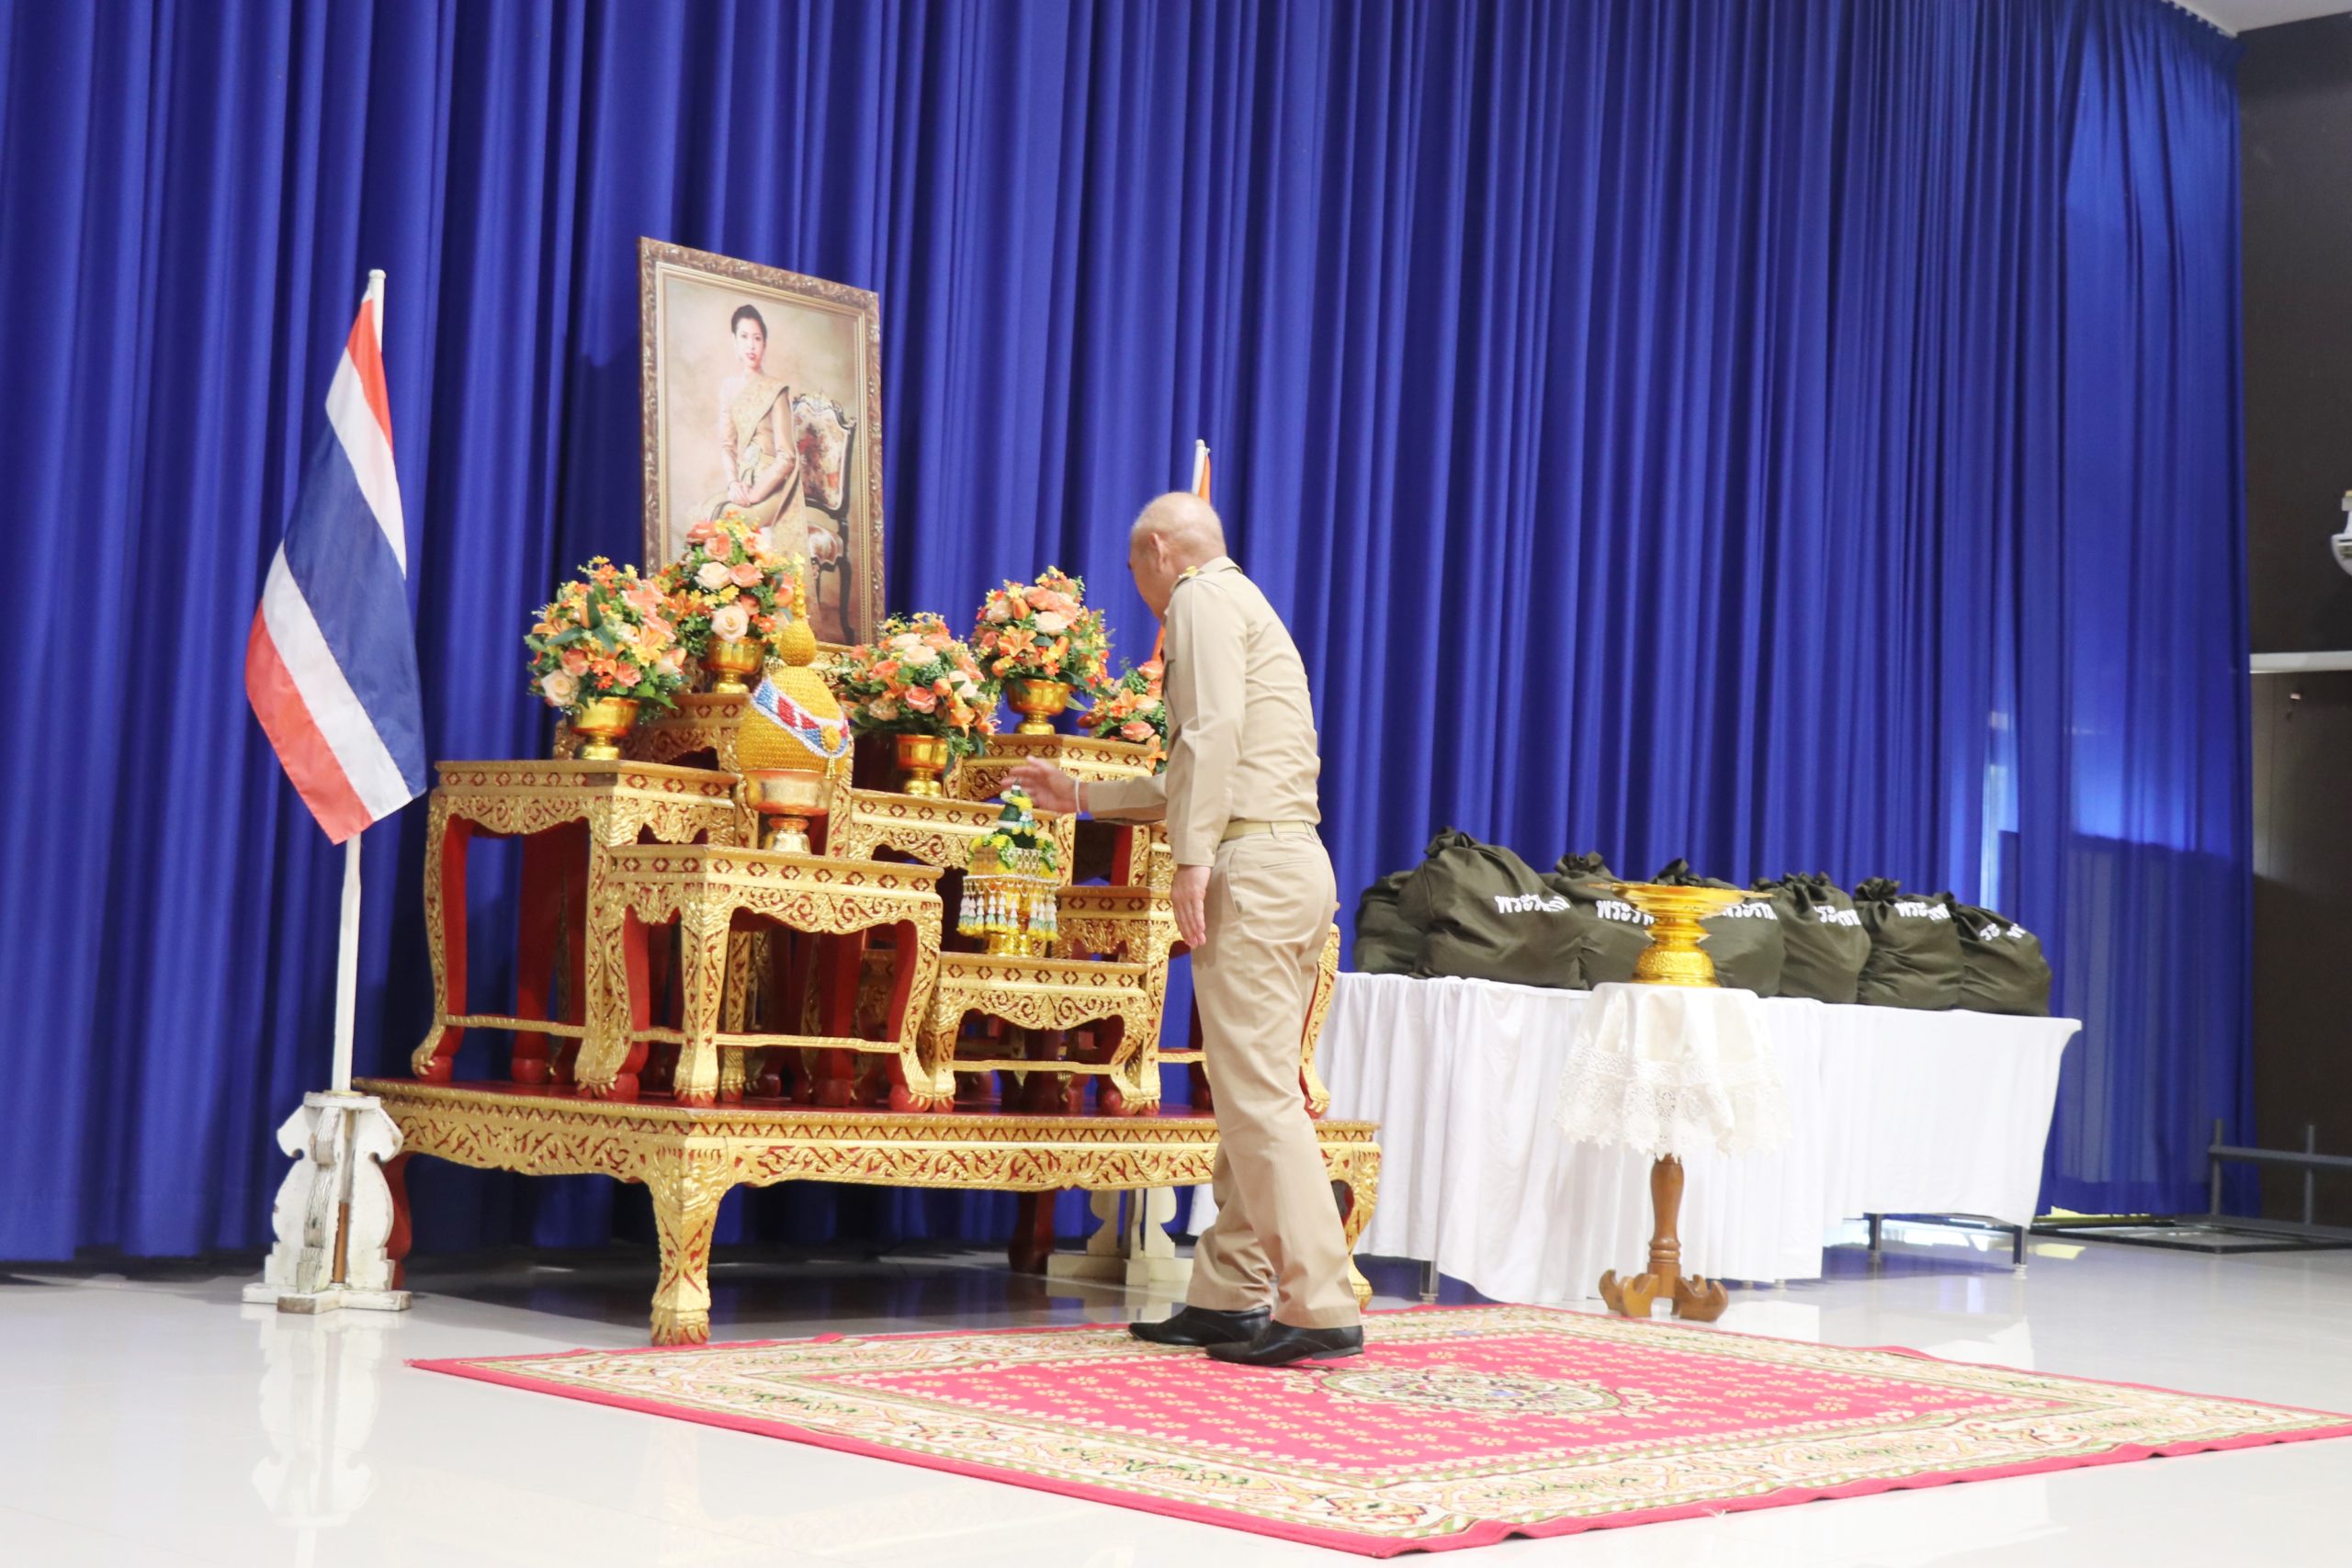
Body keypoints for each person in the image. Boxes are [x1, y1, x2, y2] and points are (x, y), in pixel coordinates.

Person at [1009, 492, 1363, 1367]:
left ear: (1160, 549)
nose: (1140, 585)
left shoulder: (1201, 595)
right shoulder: (1249, 601)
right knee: (1253, 1088)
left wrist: (1192, 861)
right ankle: (1228, 1294)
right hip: (1293, 861)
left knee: (1257, 1094)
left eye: (1135, 567)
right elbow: (1208, 763)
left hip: (1249, 866)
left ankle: (1320, 1299)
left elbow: (1208, 736)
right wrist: (1081, 795)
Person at [695, 303, 801, 541]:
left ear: (765, 345)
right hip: (743, 482)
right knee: (703, 513)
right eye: (744, 337)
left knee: (726, 521)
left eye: (757, 338)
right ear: (734, 341)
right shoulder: (728, 388)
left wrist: (754, 495)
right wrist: (734, 483)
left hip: (772, 489)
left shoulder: (776, 390)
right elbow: (727, 446)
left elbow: (787, 457)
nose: (751, 345)